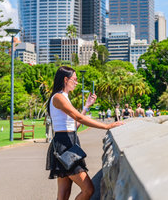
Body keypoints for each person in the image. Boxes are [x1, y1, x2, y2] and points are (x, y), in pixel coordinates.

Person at [46, 66, 123, 200]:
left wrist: (87, 106)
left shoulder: (64, 97)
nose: (76, 83)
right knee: (88, 189)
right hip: (64, 145)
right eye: (74, 80)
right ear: (66, 79)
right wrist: (107, 126)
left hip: (69, 142)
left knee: (63, 195)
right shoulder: (58, 97)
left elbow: (74, 125)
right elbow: (79, 118)